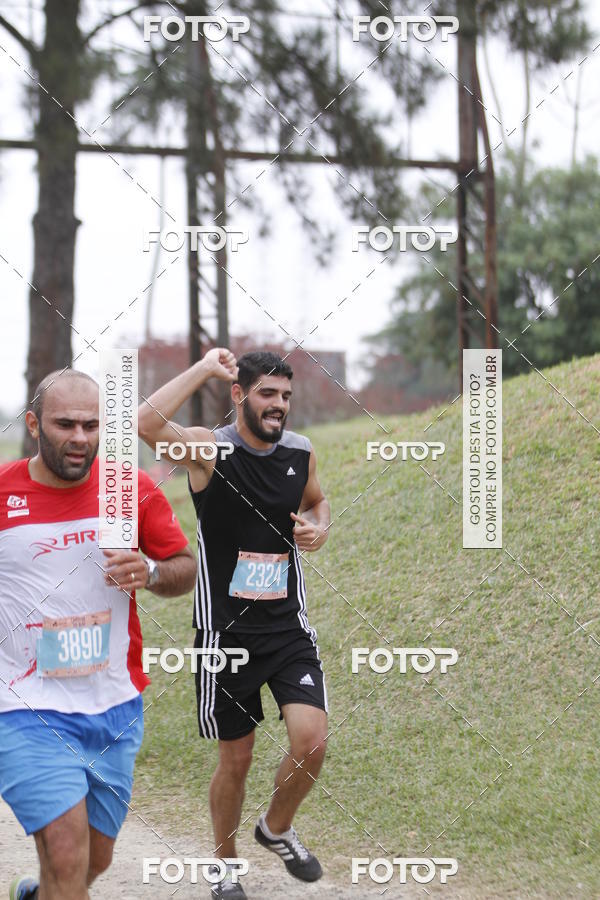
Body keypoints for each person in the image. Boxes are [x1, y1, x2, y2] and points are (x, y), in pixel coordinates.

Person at [138, 348, 331, 899]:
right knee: (237, 759)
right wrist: (203, 368)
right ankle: (225, 863)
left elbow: (317, 503)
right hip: (226, 635)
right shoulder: (209, 451)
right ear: (240, 395)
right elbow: (145, 423)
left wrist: (320, 528)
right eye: (267, 394)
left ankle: (275, 828)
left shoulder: (300, 452)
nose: (279, 406)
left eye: (286, 396)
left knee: (312, 742)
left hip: (287, 629)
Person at [0, 370, 197, 900]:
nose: (80, 437)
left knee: (92, 861)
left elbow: (184, 566)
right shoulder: (3, 494)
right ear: (36, 424)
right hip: (24, 708)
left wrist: (151, 574)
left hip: (112, 704)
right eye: (66, 424)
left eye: (92, 425)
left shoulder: (126, 490)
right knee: (66, 857)